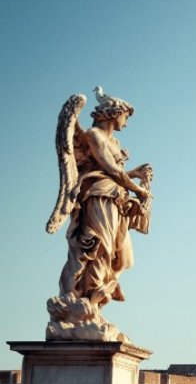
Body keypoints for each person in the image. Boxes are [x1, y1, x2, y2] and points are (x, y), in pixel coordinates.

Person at [46, 87, 153, 342]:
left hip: (116, 201)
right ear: (113, 113)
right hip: (98, 198)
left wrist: (136, 173)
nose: (126, 123)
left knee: (123, 259)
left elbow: (115, 171)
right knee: (98, 251)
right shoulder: (93, 136)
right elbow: (111, 171)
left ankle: (93, 305)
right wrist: (138, 189)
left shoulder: (114, 142)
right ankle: (83, 306)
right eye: (125, 116)